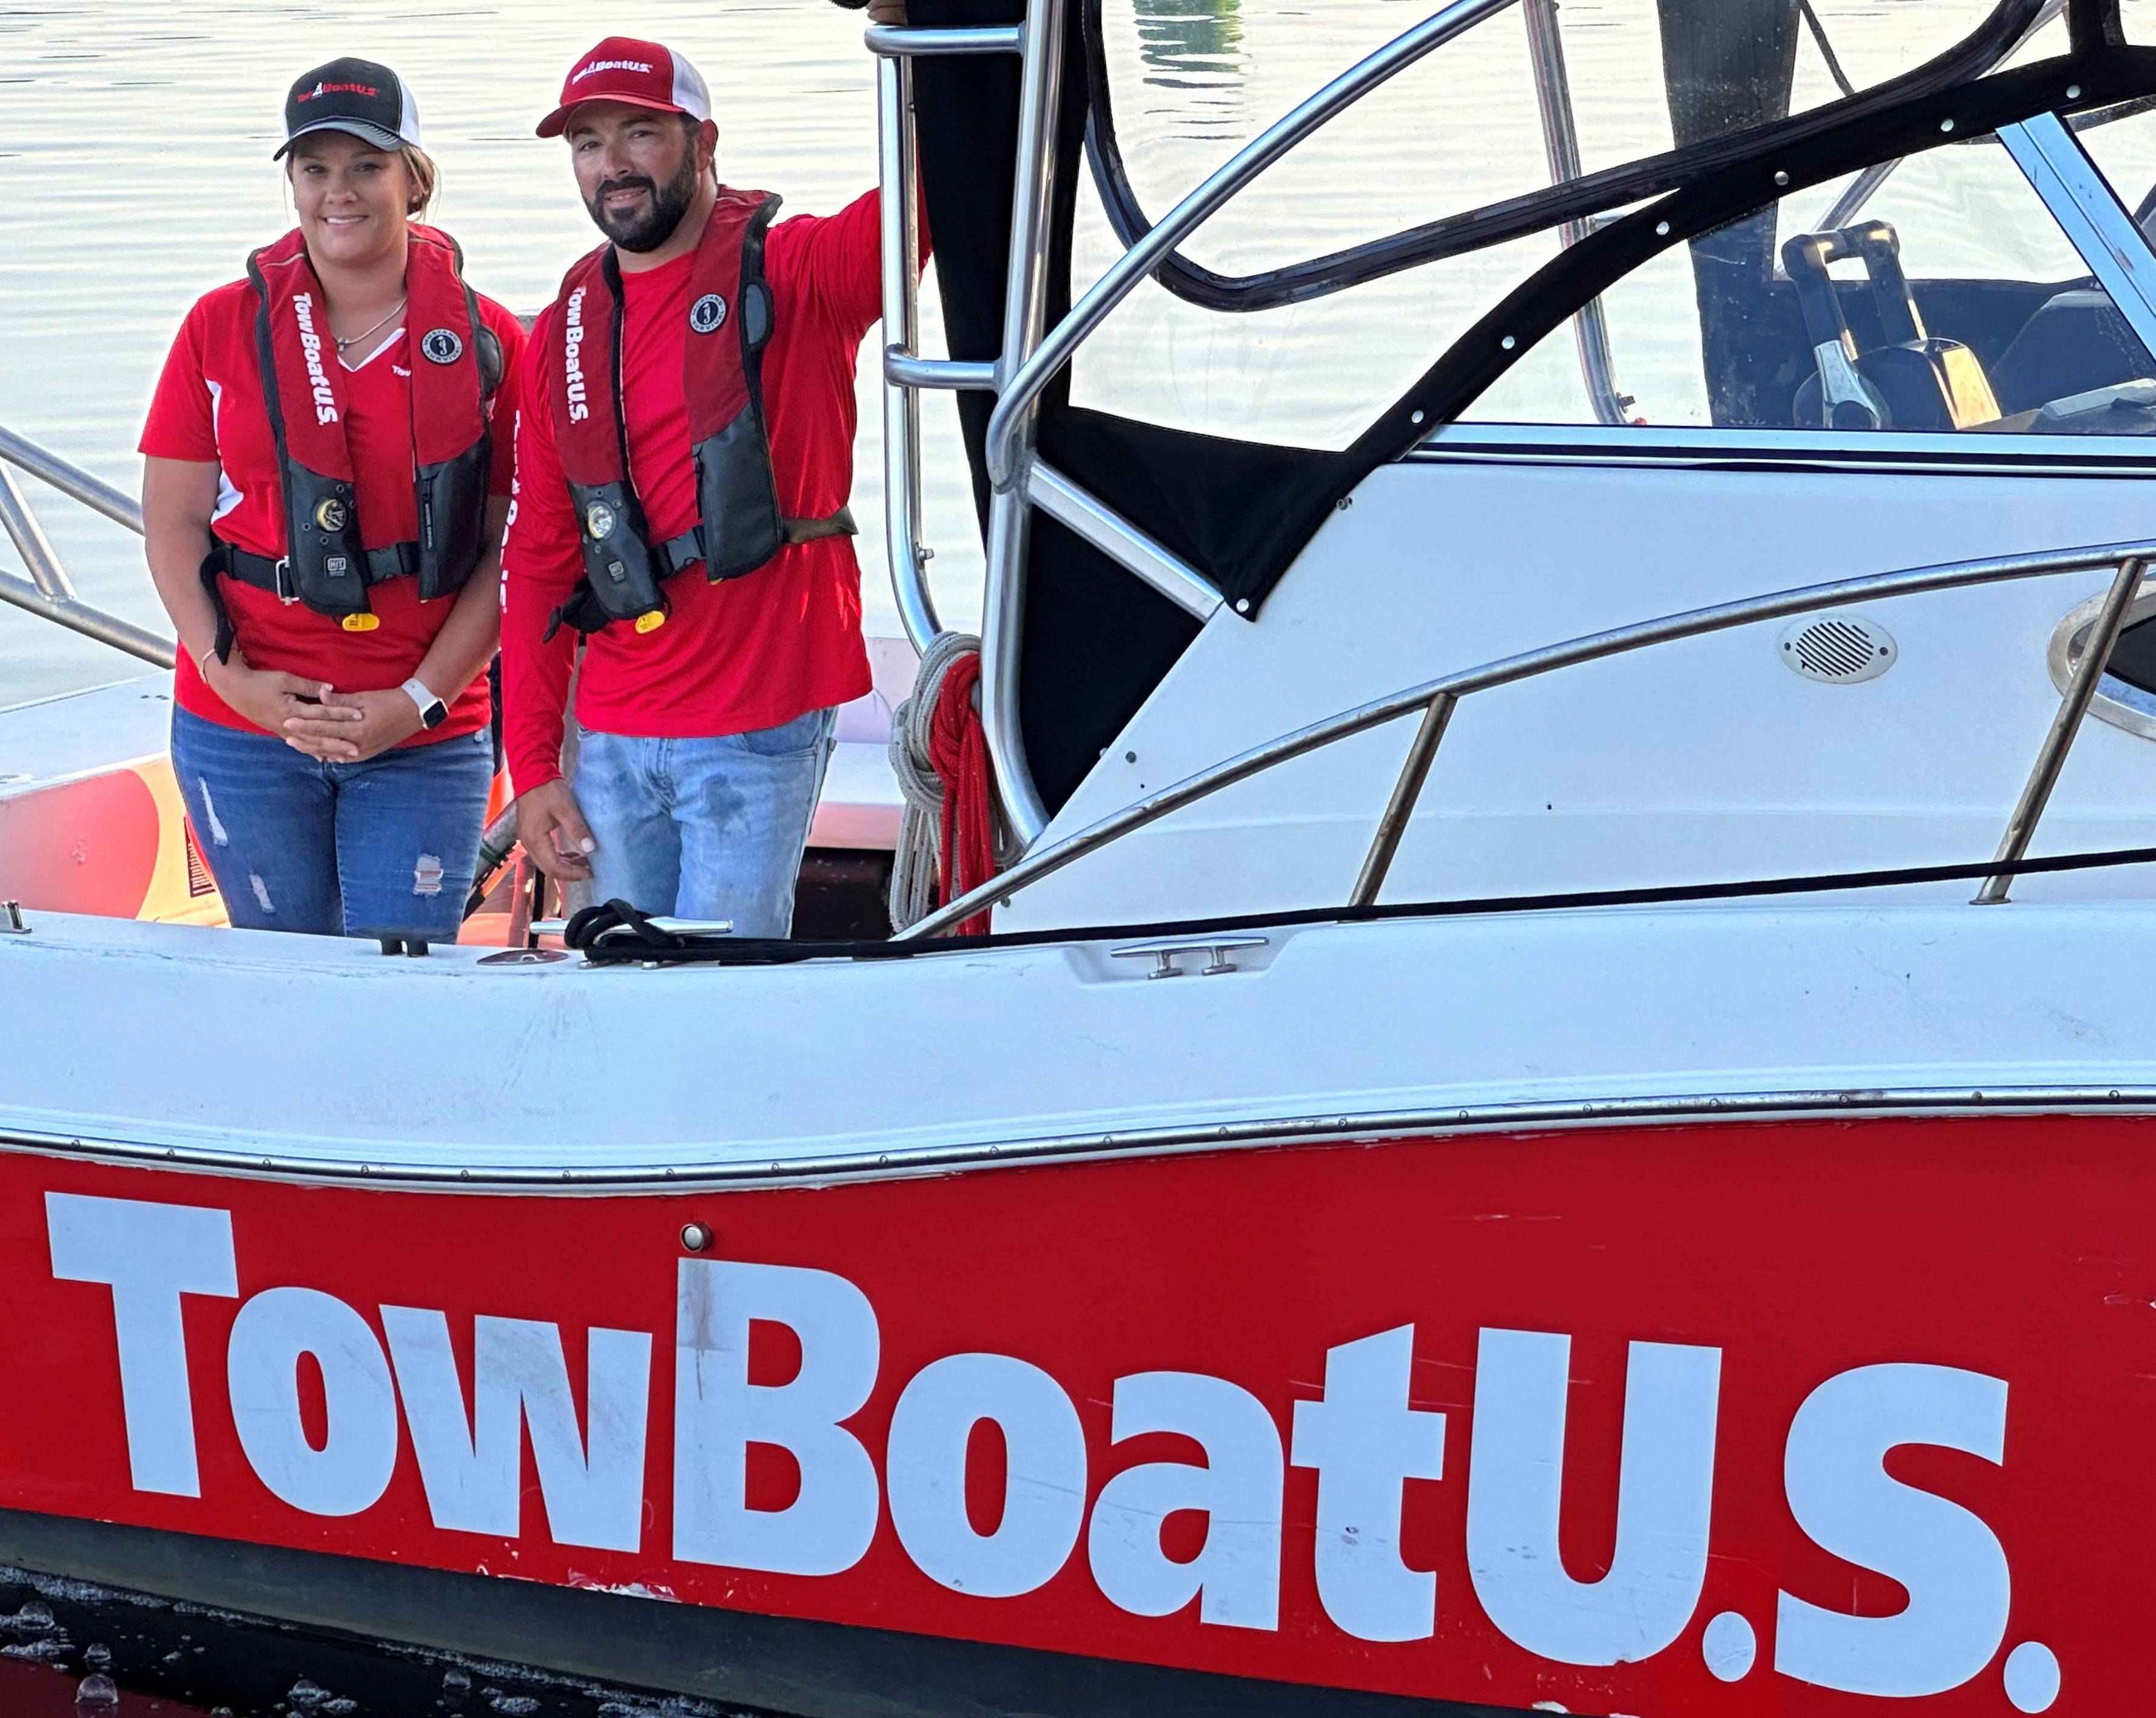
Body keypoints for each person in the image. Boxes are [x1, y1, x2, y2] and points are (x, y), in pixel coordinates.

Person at [502, 36, 917, 938]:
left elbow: (937, 200)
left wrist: (958, 48)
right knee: (612, 993)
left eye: (640, 133)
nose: (612, 165)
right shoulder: (565, 328)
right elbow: (538, 560)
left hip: (757, 729)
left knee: (719, 1005)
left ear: (704, 141)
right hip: (608, 736)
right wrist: (534, 769)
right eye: (587, 143)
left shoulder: (802, 272)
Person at [140, 58, 525, 946]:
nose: (336, 192)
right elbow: (172, 525)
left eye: (366, 166)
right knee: (280, 977)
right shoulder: (217, 325)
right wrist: (232, 681)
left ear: (414, 180)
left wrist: (418, 700)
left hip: (423, 734)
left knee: (403, 981)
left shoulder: (489, 341)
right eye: (314, 169)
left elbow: (512, 555)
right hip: (242, 729)